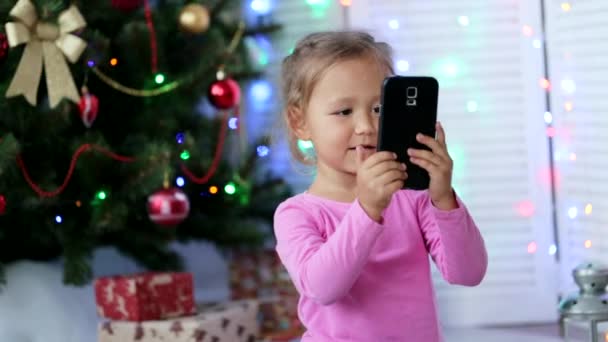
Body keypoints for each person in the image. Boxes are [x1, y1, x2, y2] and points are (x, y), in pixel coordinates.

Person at [273, 31, 487, 342]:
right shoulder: (296, 214)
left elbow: (468, 272)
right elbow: (322, 288)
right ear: (299, 122)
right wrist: (368, 208)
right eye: (344, 112)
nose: (366, 127)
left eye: (378, 109)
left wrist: (443, 198)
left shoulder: (413, 198)